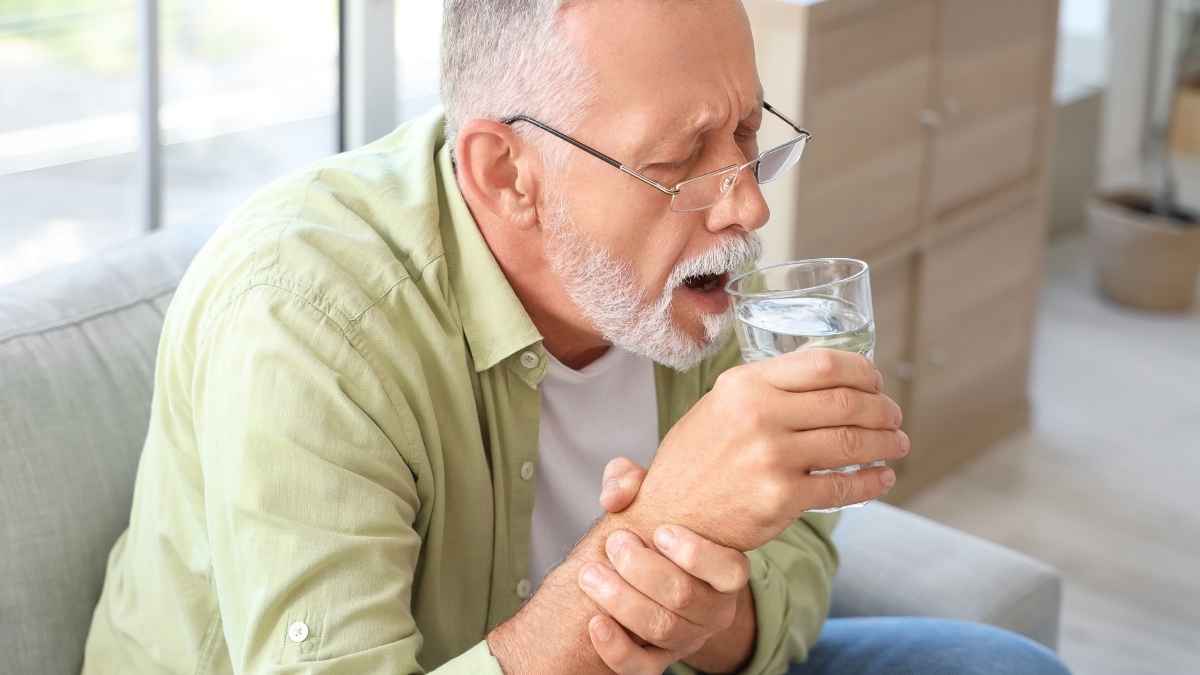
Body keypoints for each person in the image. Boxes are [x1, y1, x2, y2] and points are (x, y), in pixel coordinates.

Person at [82, 1, 1072, 674]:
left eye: (745, 132)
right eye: (683, 154)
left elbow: (801, 546)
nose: (746, 205)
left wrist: (716, 621)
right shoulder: (306, 319)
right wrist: (647, 538)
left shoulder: (678, 271)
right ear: (509, 172)